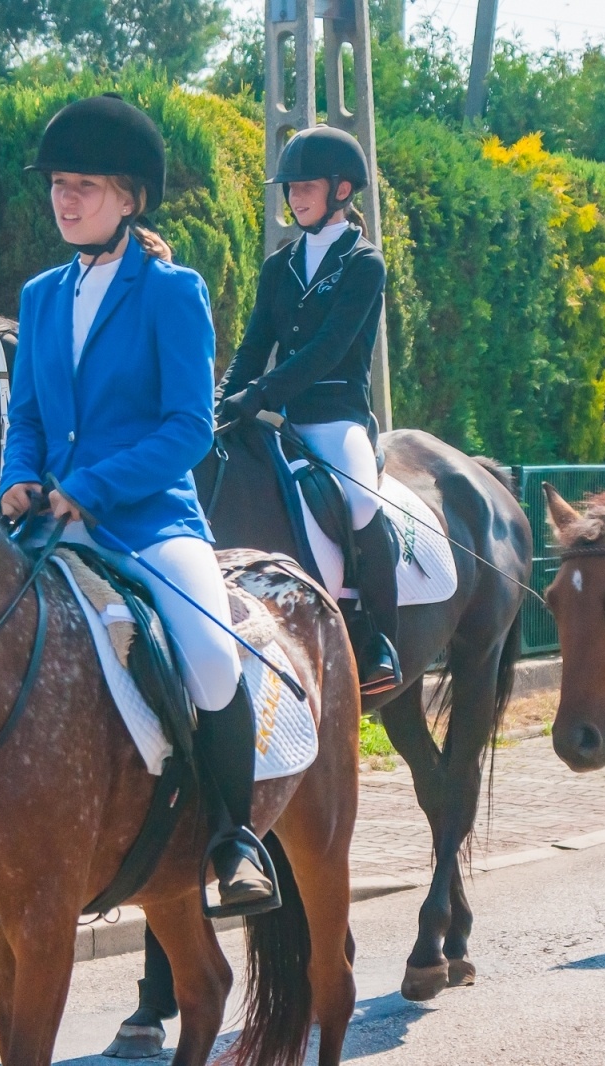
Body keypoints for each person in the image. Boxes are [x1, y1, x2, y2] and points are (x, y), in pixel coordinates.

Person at [0, 96, 278, 938]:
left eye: (83, 186)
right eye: (58, 185)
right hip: (51, 523)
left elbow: (189, 427)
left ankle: (234, 841)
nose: (65, 200)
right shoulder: (43, 296)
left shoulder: (173, 293)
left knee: (208, 652)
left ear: (129, 198)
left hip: (152, 523)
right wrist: (19, 478)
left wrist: (91, 484)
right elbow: (28, 421)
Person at [215, 124, 400, 695]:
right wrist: (222, 404)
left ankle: (379, 640)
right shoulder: (280, 265)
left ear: (342, 190)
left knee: (363, 503)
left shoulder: (364, 263)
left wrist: (263, 394)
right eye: (290, 188)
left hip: (337, 420)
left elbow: (328, 352)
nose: (294, 197)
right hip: (283, 421)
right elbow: (251, 348)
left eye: (305, 187)